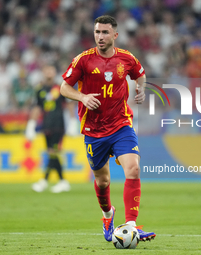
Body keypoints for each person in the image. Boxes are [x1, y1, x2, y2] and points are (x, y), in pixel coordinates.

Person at [60, 15, 156, 242]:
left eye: (104, 32)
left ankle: (131, 225)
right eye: (97, 32)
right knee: (102, 181)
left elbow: (140, 75)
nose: (100, 37)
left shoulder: (127, 58)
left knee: (133, 169)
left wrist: (140, 90)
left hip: (121, 124)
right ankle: (107, 215)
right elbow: (64, 87)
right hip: (93, 130)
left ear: (115, 35)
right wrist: (82, 97)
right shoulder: (83, 60)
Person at [26, 65, 71, 193]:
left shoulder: (61, 87)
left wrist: (73, 121)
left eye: (51, 70)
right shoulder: (39, 89)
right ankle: (63, 181)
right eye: (46, 70)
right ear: (43, 72)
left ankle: (44, 180)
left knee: (53, 151)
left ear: (55, 72)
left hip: (58, 125)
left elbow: (68, 104)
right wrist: (31, 124)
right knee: (52, 153)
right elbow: (37, 108)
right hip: (46, 125)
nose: (49, 72)